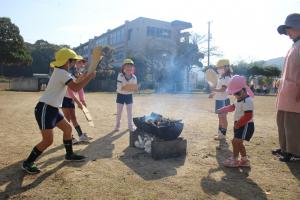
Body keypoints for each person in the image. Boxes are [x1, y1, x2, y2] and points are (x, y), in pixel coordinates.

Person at [22, 48, 96, 174]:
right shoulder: (62, 73)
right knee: (48, 141)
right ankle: (28, 162)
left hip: (52, 108)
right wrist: (89, 77)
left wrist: (85, 75)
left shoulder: (61, 72)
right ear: (68, 61)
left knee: (67, 129)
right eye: (72, 61)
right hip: (45, 108)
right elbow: (76, 88)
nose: (73, 64)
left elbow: (75, 82)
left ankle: (69, 155)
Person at [273, 13, 300, 162]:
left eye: (289, 29)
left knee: (293, 123)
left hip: (295, 91)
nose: (287, 33)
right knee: (282, 120)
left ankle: (295, 152)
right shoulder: (295, 44)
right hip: (286, 91)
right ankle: (285, 148)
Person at [217, 75, 255, 167]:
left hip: (245, 125)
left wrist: (239, 123)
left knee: (235, 141)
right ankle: (245, 160)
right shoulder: (238, 99)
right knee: (239, 143)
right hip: (238, 124)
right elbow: (232, 107)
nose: (235, 95)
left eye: (237, 93)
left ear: (244, 90)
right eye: (234, 93)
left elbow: (248, 115)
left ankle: (234, 159)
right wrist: (222, 109)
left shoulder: (248, 101)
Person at [61, 59, 91, 144]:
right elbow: (70, 91)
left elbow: (80, 88)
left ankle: (81, 136)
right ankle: (69, 137)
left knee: (73, 118)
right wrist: (78, 102)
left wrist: (82, 100)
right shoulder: (69, 74)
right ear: (75, 64)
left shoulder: (79, 75)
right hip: (64, 98)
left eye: (83, 63)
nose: (82, 65)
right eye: (79, 62)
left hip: (70, 99)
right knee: (67, 119)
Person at [209, 59, 232, 140]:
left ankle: (223, 134)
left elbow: (223, 90)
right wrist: (213, 93)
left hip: (223, 100)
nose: (218, 69)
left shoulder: (226, 78)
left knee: (223, 117)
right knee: (220, 117)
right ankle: (220, 134)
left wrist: (213, 89)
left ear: (226, 67)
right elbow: (220, 89)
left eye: (220, 67)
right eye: (218, 67)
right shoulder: (222, 77)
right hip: (220, 99)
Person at [114, 58, 137, 132]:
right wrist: (130, 88)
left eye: (130, 66)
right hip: (120, 95)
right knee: (119, 112)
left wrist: (132, 88)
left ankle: (130, 126)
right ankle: (117, 126)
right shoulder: (120, 75)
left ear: (133, 68)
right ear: (124, 67)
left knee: (130, 113)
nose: (129, 68)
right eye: (127, 66)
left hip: (129, 96)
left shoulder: (134, 77)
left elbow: (133, 88)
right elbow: (120, 88)